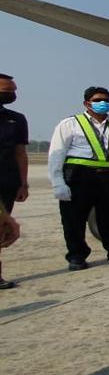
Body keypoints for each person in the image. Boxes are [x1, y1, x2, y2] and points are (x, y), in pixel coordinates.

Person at [48, 86, 109, 271]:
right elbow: (56, 155)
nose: (103, 103)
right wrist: (58, 182)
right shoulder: (70, 124)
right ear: (87, 103)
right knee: (74, 218)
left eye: (107, 100)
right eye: (98, 100)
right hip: (80, 175)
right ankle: (77, 256)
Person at [0, 73, 28, 288]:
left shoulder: (16, 119)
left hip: (6, 182)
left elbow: (20, 153)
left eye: (13, 91)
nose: (11, 94)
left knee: (1, 229)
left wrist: (23, 183)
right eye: (6, 91)